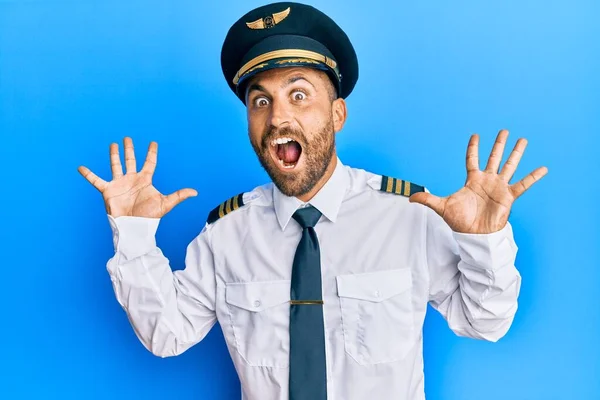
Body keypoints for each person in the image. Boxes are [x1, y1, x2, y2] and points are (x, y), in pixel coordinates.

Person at [78, 2, 547, 399]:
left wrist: (483, 241)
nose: (278, 116)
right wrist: (134, 237)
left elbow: (485, 322)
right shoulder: (226, 234)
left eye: (298, 94)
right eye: (260, 102)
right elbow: (168, 334)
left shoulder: (408, 217)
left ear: (337, 113)